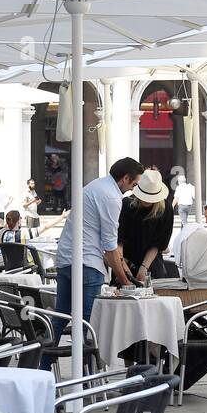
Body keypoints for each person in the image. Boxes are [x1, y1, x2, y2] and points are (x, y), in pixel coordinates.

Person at [49, 157, 143, 368]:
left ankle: (44, 368)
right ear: (125, 179)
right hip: (86, 262)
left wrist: (121, 270)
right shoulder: (111, 197)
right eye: (134, 184)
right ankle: (88, 378)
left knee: (60, 317)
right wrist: (124, 281)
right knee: (90, 325)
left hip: (66, 258)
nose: (132, 190)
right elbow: (110, 246)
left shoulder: (95, 186)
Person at [119, 168, 173, 283]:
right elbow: (119, 240)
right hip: (126, 261)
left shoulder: (166, 209)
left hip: (152, 263)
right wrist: (123, 266)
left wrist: (144, 267)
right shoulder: (126, 205)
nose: (147, 200)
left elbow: (159, 243)